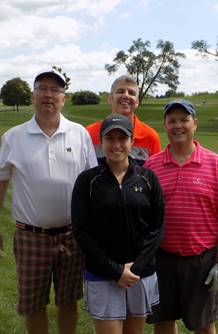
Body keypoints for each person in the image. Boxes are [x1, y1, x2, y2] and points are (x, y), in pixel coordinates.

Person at [0, 70, 97, 334]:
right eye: (43, 88)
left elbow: (92, 185)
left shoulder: (79, 134)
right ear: (33, 95)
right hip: (31, 236)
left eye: (55, 90)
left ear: (63, 98)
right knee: (33, 303)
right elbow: (1, 182)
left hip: (71, 234)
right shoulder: (14, 137)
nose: (48, 95)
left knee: (68, 300)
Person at [145, 99, 218, 334]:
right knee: (164, 322)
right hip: (162, 258)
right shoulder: (151, 166)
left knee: (204, 325)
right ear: (164, 125)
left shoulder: (216, 165)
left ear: (195, 123)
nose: (178, 125)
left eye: (184, 120)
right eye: (172, 120)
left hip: (202, 260)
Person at [71, 113, 164, 334]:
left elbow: (157, 227)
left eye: (122, 138)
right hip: (102, 273)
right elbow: (82, 232)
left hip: (139, 274)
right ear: (101, 142)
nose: (116, 145)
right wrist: (115, 271)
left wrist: (136, 268)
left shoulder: (148, 178)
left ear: (131, 142)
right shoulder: (87, 180)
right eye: (109, 139)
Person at [86, 75, 161, 165]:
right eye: (120, 91)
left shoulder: (150, 137)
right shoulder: (89, 133)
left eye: (131, 93)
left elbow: (155, 174)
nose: (126, 95)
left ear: (137, 102)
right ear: (110, 99)